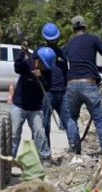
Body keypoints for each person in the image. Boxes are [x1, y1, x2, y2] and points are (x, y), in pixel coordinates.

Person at [64, 15, 102, 155]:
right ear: (85, 26)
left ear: (73, 28)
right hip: (88, 84)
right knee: (99, 119)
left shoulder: (69, 44)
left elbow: (81, 63)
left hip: (72, 84)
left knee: (72, 118)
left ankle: (74, 147)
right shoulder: (93, 39)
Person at [40, 23, 79, 159]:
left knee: (66, 120)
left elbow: (66, 71)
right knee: (47, 123)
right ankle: (47, 153)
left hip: (59, 92)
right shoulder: (43, 52)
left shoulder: (60, 52)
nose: (54, 41)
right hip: (50, 92)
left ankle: (73, 148)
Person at [11, 44, 55, 161]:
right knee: (14, 134)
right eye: (44, 65)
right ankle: (9, 159)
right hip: (19, 105)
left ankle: (45, 157)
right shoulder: (28, 63)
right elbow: (17, 68)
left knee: (40, 132)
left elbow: (48, 87)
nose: (46, 68)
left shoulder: (47, 72)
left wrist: (41, 77)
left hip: (35, 108)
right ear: (39, 61)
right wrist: (21, 53)